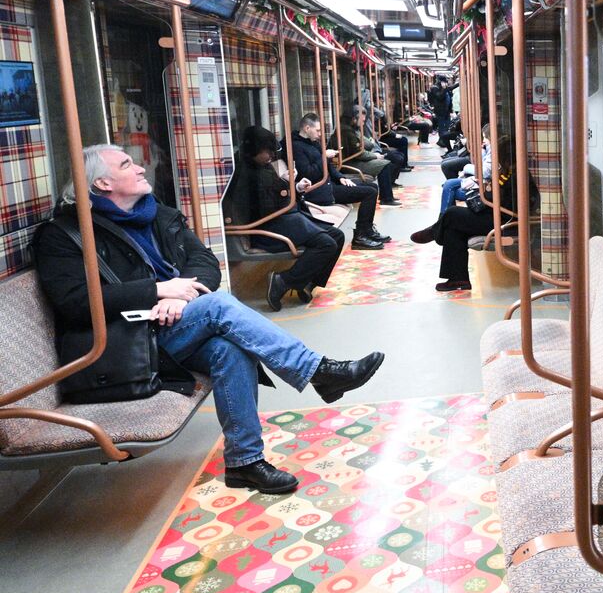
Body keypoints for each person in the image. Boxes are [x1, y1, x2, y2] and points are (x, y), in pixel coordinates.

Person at [34, 144, 385, 494]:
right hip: (124, 344)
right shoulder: (63, 236)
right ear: (102, 185)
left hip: (171, 326)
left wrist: (183, 295)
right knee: (218, 307)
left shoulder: (158, 214)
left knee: (228, 349)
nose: (140, 168)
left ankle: (244, 462)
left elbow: (203, 261)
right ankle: (317, 371)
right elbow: (74, 301)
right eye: (127, 164)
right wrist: (158, 291)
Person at [227, 127, 380, 315]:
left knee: (337, 236)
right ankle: (282, 281)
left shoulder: (261, 166)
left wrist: (295, 188)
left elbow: (277, 193)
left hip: (283, 218)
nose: (270, 156)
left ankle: (305, 282)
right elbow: (265, 206)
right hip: (269, 226)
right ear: (254, 151)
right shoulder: (247, 174)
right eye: (267, 151)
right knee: (326, 244)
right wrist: (289, 191)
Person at [411, 137, 534, 291]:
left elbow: (508, 203)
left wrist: (488, 192)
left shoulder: (518, 176)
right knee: (453, 229)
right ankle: (458, 279)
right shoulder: (509, 171)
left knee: (452, 214)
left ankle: (434, 232)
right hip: (495, 215)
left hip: (504, 222)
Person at [290, 113, 391, 245]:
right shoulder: (297, 147)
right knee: (369, 193)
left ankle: (367, 229)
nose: (320, 134)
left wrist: (341, 178)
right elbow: (308, 174)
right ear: (307, 128)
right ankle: (360, 235)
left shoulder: (313, 143)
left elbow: (329, 167)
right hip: (318, 191)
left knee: (372, 187)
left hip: (329, 184)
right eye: (318, 130)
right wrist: (324, 157)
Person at [341, 106, 402, 205]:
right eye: (362, 120)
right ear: (354, 119)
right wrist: (375, 156)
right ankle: (386, 199)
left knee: (387, 162)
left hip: (354, 159)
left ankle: (386, 196)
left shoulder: (352, 129)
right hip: (349, 162)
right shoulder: (348, 132)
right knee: (384, 164)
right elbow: (359, 153)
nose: (363, 123)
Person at [440, 125, 491, 212]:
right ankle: (445, 217)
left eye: (485, 138)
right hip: (480, 175)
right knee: (448, 183)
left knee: (449, 186)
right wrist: (482, 150)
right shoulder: (489, 148)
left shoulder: (494, 150)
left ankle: (444, 217)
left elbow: (485, 171)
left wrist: (466, 168)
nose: (483, 140)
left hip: (485, 182)